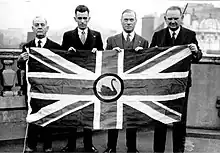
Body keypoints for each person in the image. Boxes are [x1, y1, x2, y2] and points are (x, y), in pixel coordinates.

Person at [150, 6, 202, 153]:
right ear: (165, 19)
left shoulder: (190, 34)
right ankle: (158, 151)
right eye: (170, 19)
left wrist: (196, 51)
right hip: (161, 86)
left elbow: (197, 57)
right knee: (160, 119)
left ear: (182, 18)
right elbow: (150, 57)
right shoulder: (158, 35)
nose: (172, 21)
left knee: (180, 120)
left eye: (176, 18)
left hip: (182, 85)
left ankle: (178, 151)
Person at [103, 9, 148, 153]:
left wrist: (142, 55)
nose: (128, 23)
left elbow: (148, 66)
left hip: (133, 86)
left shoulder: (144, 42)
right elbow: (103, 63)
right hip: (115, 84)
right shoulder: (111, 40)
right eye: (126, 20)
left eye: (131, 20)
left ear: (136, 21)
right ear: (121, 21)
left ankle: (132, 148)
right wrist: (111, 55)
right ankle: (111, 147)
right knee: (112, 116)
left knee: (132, 117)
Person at [61, 5, 103, 152]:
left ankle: (88, 145)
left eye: (85, 18)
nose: (83, 21)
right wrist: (68, 52)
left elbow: (103, 58)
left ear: (89, 18)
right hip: (74, 81)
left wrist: (98, 52)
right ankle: (70, 144)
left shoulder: (96, 35)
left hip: (90, 81)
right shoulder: (67, 35)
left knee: (88, 112)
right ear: (75, 18)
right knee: (72, 112)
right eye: (80, 18)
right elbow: (61, 58)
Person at [18, 16, 62, 153]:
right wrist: (20, 60)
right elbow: (22, 67)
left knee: (48, 116)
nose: (39, 27)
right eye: (36, 25)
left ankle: (48, 145)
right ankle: (31, 145)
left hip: (48, 89)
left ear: (47, 28)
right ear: (32, 28)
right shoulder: (27, 46)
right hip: (32, 89)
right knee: (33, 116)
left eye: (42, 24)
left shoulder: (55, 47)